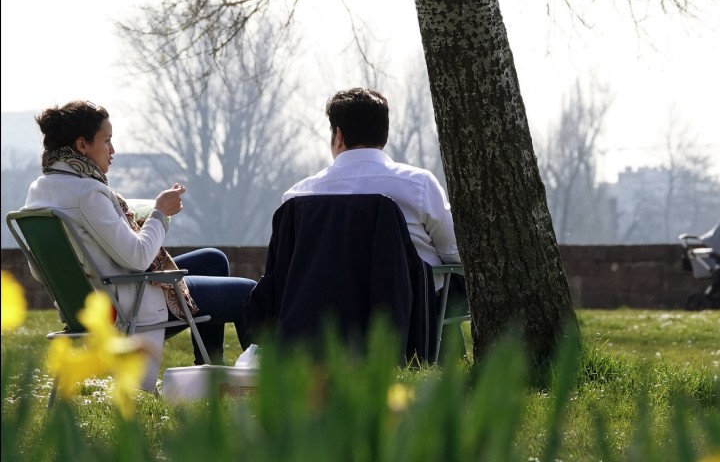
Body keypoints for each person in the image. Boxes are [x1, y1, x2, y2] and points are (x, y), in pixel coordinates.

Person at [24, 101, 256, 390]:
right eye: (106, 141)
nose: (113, 151)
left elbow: (41, 269)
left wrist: (132, 217)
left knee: (214, 260)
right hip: (131, 300)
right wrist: (159, 212)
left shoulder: (42, 189)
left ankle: (211, 371)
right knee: (250, 293)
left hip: (98, 294)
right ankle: (258, 386)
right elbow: (137, 258)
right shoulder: (89, 192)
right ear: (82, 145)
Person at [282, 87, 461, 274]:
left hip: (319, 302)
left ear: (339, 136)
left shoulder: (297, 197)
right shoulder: (419, 186)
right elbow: (455, 253)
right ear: (384, 134)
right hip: (409, 302)